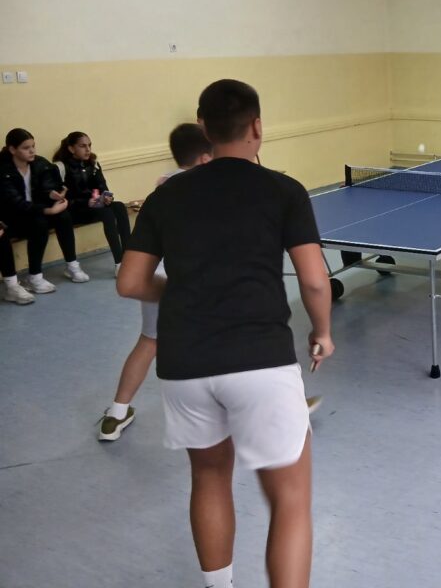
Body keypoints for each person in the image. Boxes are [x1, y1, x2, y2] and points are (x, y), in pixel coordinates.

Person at [117, 80, 334, 587]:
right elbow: (313, 280)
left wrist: (186, 291)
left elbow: (130, 282)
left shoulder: (167, 194)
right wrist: (322, 332)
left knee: (209, 476)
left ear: (204, 128)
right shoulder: (284, 190)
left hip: (184, 364)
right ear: (257, 126)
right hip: (260, 360)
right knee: (290, 500)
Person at [98, 123, 213, 441]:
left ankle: (116, 414)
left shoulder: (162, 189)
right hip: (189, 280)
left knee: (149, 341)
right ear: (206, 157)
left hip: (155, 277)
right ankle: (277, 406)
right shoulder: (211, 189)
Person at [0, 128, 89, 294]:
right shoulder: (4, 171)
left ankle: (72, 265)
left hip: (33, 212)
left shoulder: (39, 164)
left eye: (33, 146)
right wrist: (48, 211)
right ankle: (32, 277)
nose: (32, 151)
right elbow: (15, 203)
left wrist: (53, 194)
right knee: (39, 222)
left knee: (63, 216)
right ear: (12, 149)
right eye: (26, 148)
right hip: (13, 218)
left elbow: (46, 188)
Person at [53, 131, 132, 276]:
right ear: (71, 148)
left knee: (119, 206)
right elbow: (61, 199)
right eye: (83, 146)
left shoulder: (93, 164)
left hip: (93, 206)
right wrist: (86, 202)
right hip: (74, 210)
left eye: (89, 145)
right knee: (106, 212)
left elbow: (103, 187)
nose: (88, 149)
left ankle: (128, 258)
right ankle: (119, 263)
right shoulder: (60, 167)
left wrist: (107, 197)